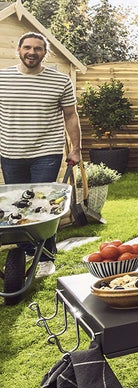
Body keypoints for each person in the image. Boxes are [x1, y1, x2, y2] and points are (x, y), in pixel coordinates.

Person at [0, 32, 83, 276]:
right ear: (18, 50)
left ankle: (46, 256)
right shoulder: (2, 78)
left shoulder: (59, 81)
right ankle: (27, 250)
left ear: (45, 53)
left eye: (38, 48)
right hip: (11, 151)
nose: (32, 52)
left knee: (42, 203)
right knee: (18, 204)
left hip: (46, 152)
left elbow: (70, 115)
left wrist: (76, 149)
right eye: (27, 47)